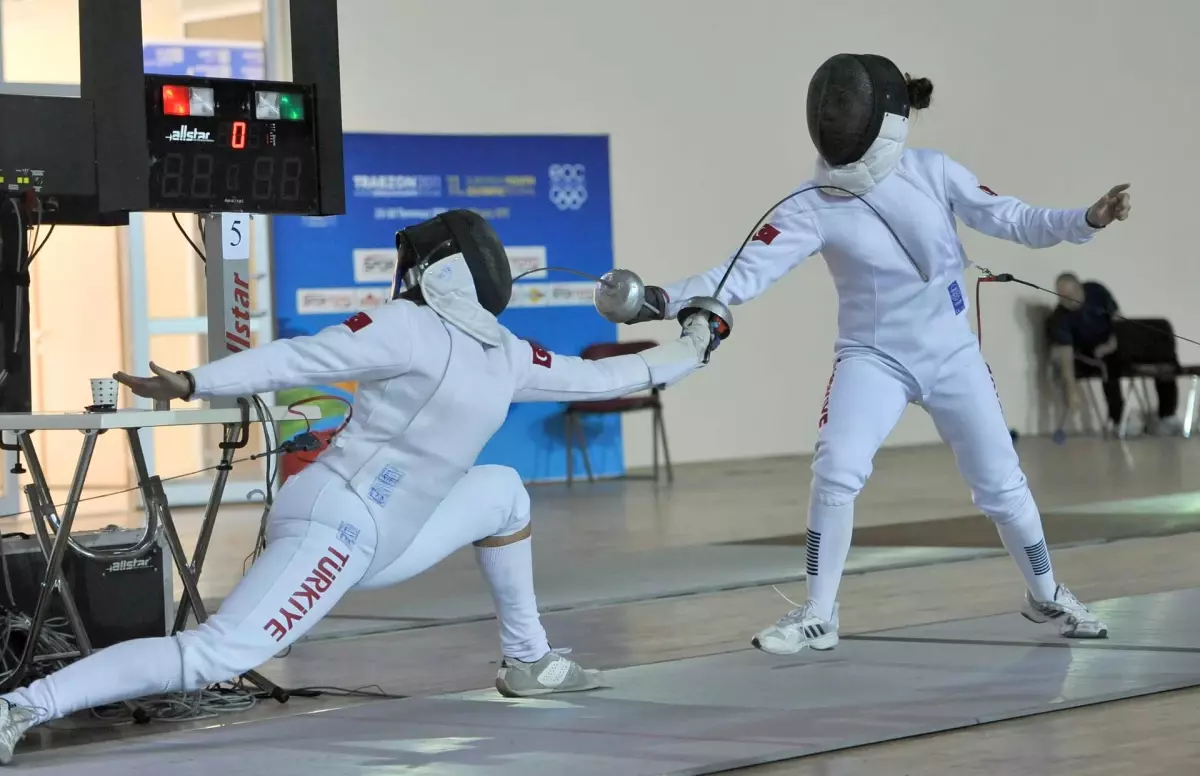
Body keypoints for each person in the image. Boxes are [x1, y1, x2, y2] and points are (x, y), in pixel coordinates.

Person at [0, 210, 720, 764]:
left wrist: (695, 344)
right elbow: (300, 356)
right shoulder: (402, 328)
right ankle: (22, 708)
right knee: (215, 657)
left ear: (437, 270)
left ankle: (529, 661)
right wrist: (194, 383)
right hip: (332, 524)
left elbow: (607, 375)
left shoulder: (504, 354)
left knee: (504, 492)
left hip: (390, 537)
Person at [627, 53, 1131, 655]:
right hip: (873, 359)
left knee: (1001, 484)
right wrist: (657, 300)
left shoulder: (932, 171)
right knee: (836, 470)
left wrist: (1087, 219)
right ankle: (818, 612)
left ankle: (1048, 592)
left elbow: (1013, 218)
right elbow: (738, 274)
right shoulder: (811, 203)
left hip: (951, 355)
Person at [1048, 272, 1180, 435]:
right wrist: (1071, 389)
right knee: (1110, 362)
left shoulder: (1096, 291)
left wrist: (1115, 341)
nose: (1066, 301)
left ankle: (1167, 416)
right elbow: (1066, 356)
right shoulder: (1060, 319)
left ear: (1080, 289)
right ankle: (1118, 419)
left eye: (1070, 295)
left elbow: (1117, 319)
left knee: (1162, 353)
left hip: (1115, 342)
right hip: (1092, 353)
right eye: (1061, 297)